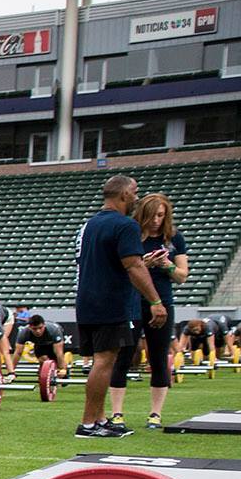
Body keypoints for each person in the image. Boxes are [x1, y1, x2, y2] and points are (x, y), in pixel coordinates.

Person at [73, 174, 164, 439]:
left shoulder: (89, 225)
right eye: (135, 192)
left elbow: (110, 263)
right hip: (110, 302)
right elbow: (133, 266)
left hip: (87, 302)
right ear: (124, 195)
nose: (137, 197)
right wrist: (156, 301)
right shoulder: (126, 225)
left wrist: (140, 262)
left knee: (102, 361)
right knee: (104, 361)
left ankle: (100, 419)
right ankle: (89, 424)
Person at [108, 193, 187, 430]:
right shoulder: (132, 236)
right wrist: (145, 265)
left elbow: (182, 276)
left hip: (163, 303)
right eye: (152, 216)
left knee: (158, 357)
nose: (155, 221)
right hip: (131, 304)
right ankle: (117, 413)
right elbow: (123, 272)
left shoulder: (174, 239)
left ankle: (155, 414)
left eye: (160, 216)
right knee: (124, 357)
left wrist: (166, 264)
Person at [13, 312, 71, 378]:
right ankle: (45, 376)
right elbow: (18, 352)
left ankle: (66, 370)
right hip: (39, 344)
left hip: (53, 343)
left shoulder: (54, 330)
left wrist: (62, 369)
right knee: (43, 360)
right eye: (34, 329)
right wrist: (11, 371)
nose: (38, 331)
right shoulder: (24, 332)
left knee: (58, 364)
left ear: (44, 325)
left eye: (40, 328)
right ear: (29, 327)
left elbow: (59, 353)